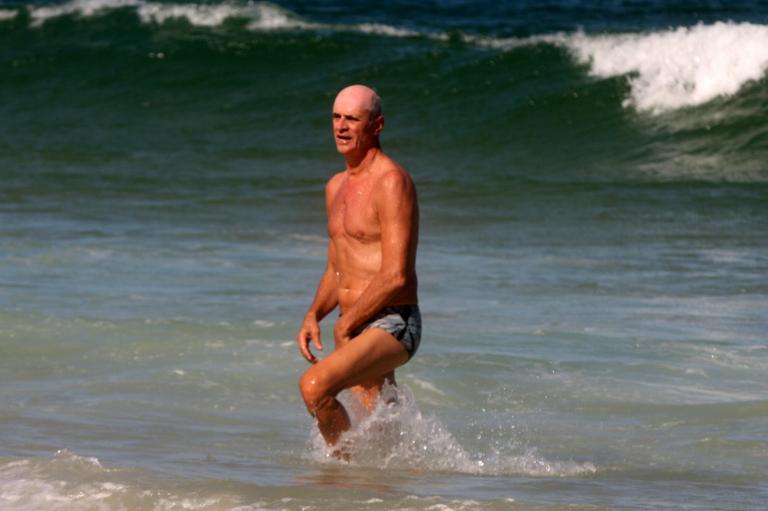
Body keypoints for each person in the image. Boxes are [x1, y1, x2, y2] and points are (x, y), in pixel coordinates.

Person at [296, 84, 421, 450]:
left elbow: (397, 275)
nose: (341, 126)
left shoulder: (391, 182)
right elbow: (337, 267)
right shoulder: (335, 187)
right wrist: (315, 313)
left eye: (353, 118)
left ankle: (344, 472)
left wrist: (347, 325)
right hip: (355, 324)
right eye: (336, 117)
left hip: (393, 323)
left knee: (314, 387)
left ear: (377, 125)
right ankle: (388, 487)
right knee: (384, 432)